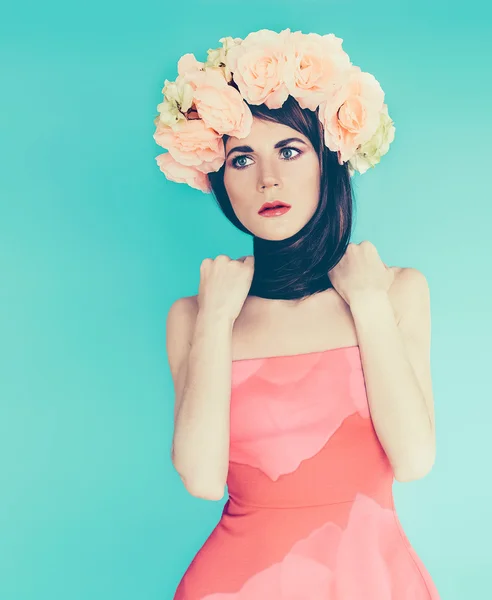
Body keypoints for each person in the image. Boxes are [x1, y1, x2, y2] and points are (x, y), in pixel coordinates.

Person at [157, 28, 439, 599]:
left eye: (289, 149)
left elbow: (412, 459)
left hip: (368, 580)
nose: (267, 178)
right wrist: (215, 321)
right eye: (242, 158)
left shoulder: (395, 292)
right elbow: (203, 480)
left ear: (328, 159)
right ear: (219, 181)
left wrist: (366, 304)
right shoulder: (196, 315)